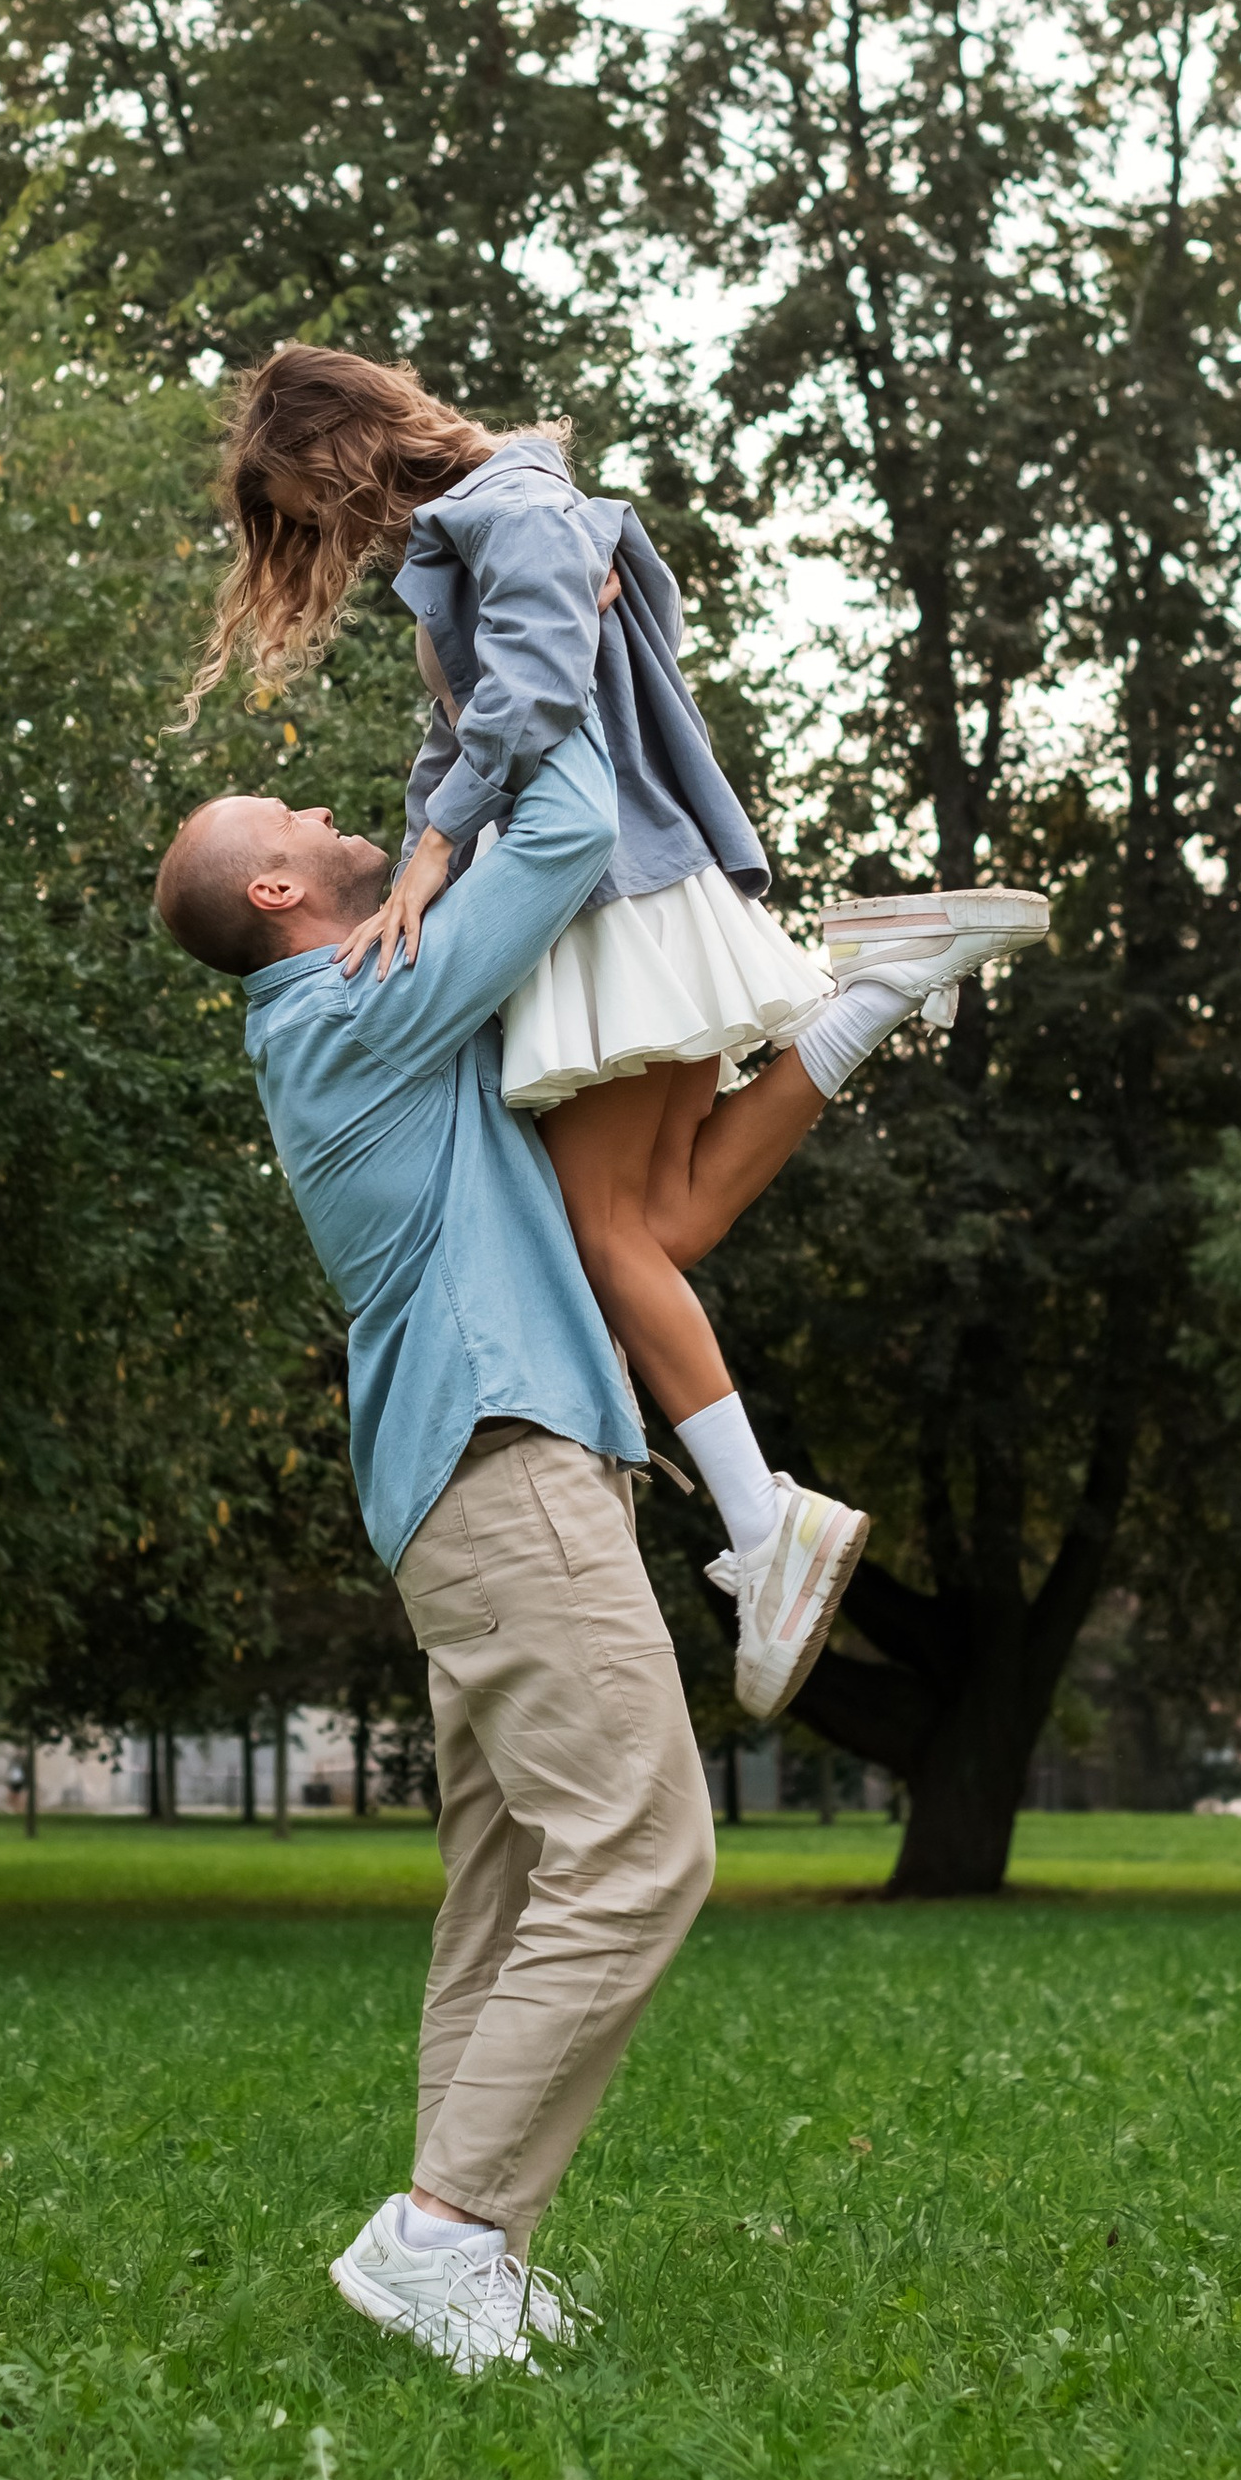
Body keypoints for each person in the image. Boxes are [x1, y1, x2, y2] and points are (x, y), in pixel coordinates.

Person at [152, 730, 998, 2373]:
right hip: (501, 1466)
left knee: (515, 1885)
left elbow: (644, 1195)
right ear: (276, 888)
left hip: (491, 1480)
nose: (337, 819)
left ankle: (466, 2256)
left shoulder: (366, 1024)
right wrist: (529, 656)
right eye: (302, 822)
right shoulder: (348, 1008)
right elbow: (558, 838)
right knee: (641, 1850)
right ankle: (443, 2233)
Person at [182, 342, 1043, 1717]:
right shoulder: (511, 515)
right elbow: (495, 720)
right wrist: (426, 838)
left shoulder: (502, 512)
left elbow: (537, 709)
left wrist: (439, 852)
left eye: (309, 500)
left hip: (605, 903)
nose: (325, 538)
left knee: (606, 1242)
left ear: (342, 451)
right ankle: (878, 986)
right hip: (656, 880)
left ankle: (766, 1532)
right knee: (667, 1229)